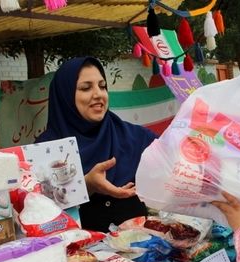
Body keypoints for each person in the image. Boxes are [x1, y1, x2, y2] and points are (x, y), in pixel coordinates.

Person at [36, 56, 157, 231]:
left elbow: (174, 164)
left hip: (143, 251)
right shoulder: (46, 149)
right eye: (86, 88)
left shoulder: (135, 137)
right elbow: (38, 211)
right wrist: (86, 185)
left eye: (102, 86)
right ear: (65, 96)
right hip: (78, 254)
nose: (98, 94)